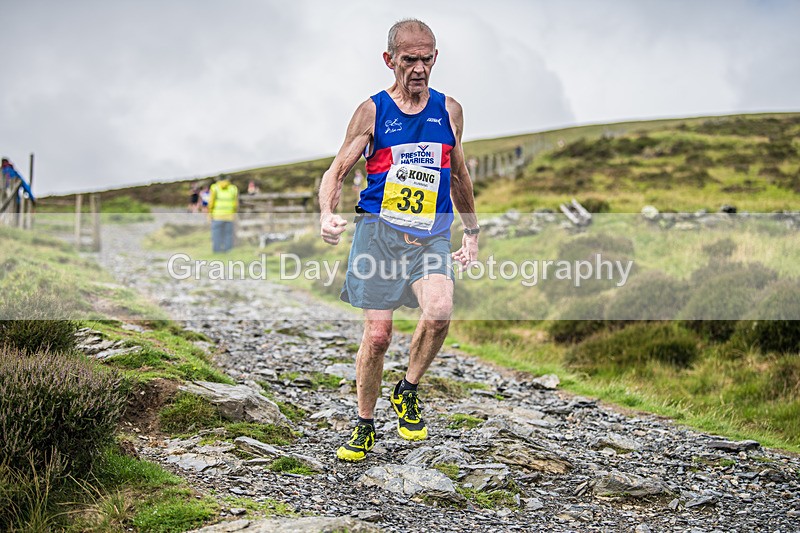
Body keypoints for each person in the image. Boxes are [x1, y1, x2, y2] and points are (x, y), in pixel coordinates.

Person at [318, 19, 479, 462]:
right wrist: (327, 214)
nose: (419, 68)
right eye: (409, 60)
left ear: (435, 58)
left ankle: (406, 389)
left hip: (431, 235)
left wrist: (473, 230)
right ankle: (365, 423)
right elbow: (336, 171)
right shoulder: (372, 111)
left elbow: (460, 174)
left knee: (441, 310)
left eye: (427, 59)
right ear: (390, 60)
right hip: (377, 236)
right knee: (378, 336)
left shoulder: (450, 111)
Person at [207, 175, 238, 252]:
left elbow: (211, 202)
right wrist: (234, 213)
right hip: (229, 215)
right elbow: (235, 203)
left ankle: (217, 252)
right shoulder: (233, 188)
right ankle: (228, 251)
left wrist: (210, 213)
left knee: (217, 235)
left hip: (217, 216)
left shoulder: (214, 187)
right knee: (228, 235)